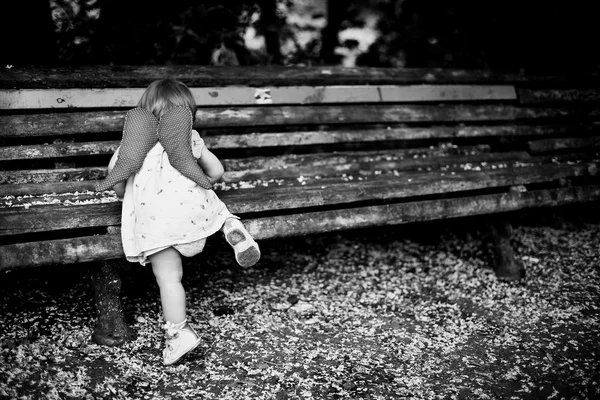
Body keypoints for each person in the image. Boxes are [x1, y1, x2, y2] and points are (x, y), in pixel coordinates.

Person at [98, 78, 260, 366]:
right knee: (217, 210)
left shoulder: (131, 145)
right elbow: (217, 171)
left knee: (170, 280)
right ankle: (231, 227)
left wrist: (132, 193)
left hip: (158, 225)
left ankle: (179, 332)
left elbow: (120, 186)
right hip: (194, 214)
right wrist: (202, 185)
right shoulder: (188, 138)